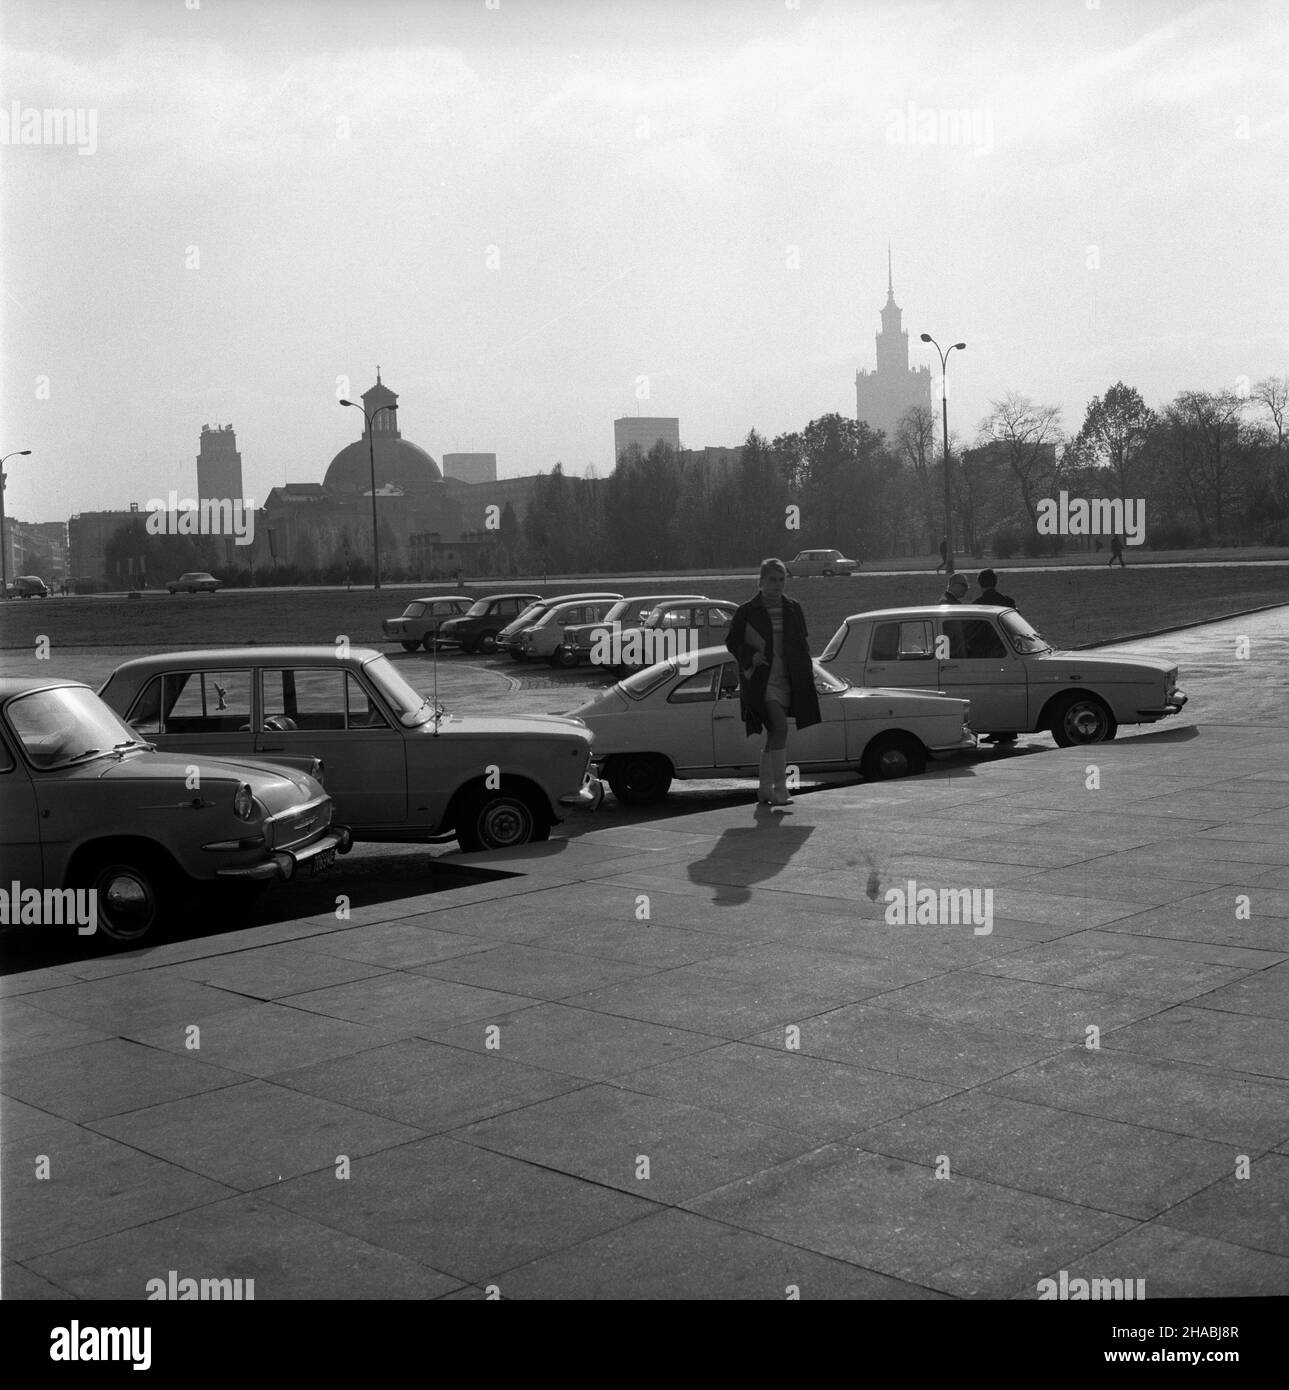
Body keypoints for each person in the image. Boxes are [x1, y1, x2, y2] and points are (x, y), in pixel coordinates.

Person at [726, 557, 821, 806]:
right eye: (772, 580)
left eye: (781, 580)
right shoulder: (747, 610)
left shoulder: (792, 607)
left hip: (787, 678)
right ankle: (781, 790)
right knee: (780, 728)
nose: (777, 585)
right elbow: (732, 642)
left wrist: (807, 673)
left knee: (773, 735)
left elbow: (802, 644)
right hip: (761, 680)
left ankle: (764, 790)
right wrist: (750, 656)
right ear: (761, 581)